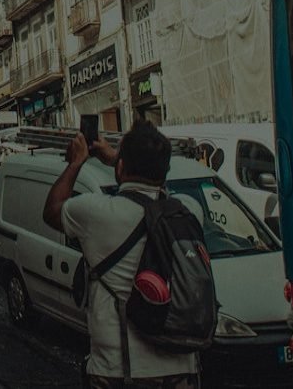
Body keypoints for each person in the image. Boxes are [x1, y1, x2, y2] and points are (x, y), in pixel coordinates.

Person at [42, 121, 201, 388]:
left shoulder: (97, 213)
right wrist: (122, 159)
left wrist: (76, 163)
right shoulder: (189, 212)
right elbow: (158, 194)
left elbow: (52, 210)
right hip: (182, 368)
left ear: (121, 167)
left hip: (121, 370)